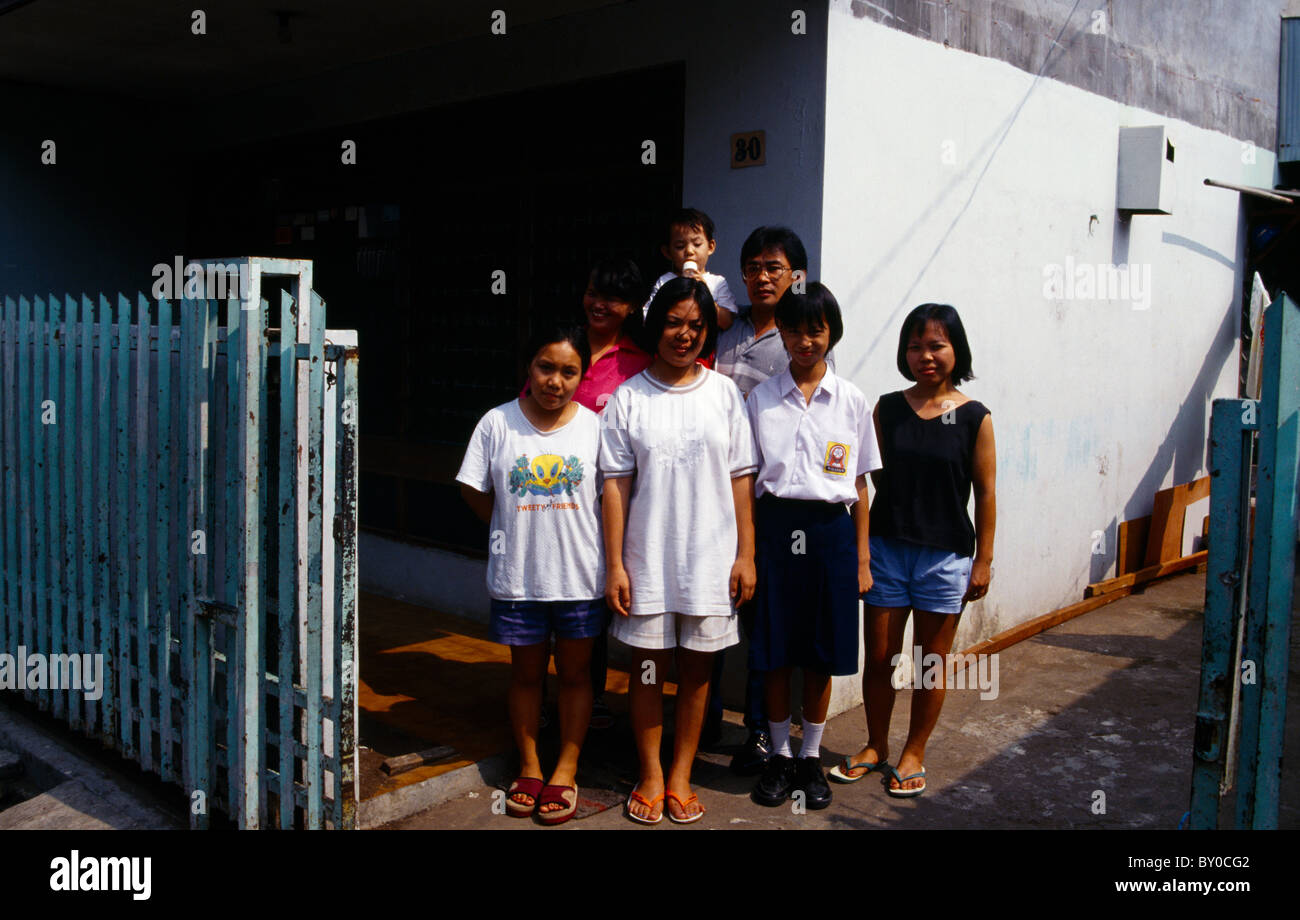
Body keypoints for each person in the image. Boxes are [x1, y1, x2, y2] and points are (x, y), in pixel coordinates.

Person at [601, 276, 758, 824]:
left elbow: (741, 479)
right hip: (648, 560)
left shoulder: (723, 395)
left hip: (711, 560)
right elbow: (615, 487)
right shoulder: (628, 398)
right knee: (648, 670)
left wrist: (746, 555)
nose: (684, 334)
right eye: (673, 322)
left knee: (697, 674)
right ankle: (649, 773)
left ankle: (681, 775)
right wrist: (616, 563)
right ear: (654, 325)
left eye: (695, 325)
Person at [832, 304, 996, 797]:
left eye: (937, 345)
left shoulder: (974, 418)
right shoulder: (888, 407)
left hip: (945, 558)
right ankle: (875, 745)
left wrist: (983, 560)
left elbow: (986, 492)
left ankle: (915, 751)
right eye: (916, 346)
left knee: (930, 663)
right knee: (879, 657)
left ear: (955, 350)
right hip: (886, 549)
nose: (926, 355)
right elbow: (870, 474)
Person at [456, 325, 605, 825]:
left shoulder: (597, 429)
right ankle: (530, 765)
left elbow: (613, 499)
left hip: (581, 577)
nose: (555, 382)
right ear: (528, 366)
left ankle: (566, 767)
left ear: (582, 375)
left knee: (576, 676)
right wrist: (508, 524)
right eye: (546, 367)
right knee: (525, 676)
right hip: (519, 578)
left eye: (569, 371)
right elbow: (474, 489)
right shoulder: (497, 424)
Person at [745, 283, 880, 810]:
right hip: (775, 531)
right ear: (781, 333)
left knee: (821, 655)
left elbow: (861, 486)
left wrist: (863, 559)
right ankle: (778, 756)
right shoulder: (759, 399)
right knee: (776, 654)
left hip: (831, 536)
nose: (805, 340)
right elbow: (747, 477)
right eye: (795, 329)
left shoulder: (851, 401)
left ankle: (809, 758)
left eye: (816, 330)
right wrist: (749, 553)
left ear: (832, 334)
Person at [712, 225, 827, 775]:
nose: (760, 277)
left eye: (773, 268)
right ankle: (705, 716)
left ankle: (762, 732)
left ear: (797, 276)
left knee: (765, 621)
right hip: (709, 493)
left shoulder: (800, 338)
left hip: (765, 502)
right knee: (707, 608)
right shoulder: (722, 329)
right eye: (752, 267)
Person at [643, 207, 738, 331]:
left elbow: (727, 322)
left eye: (697, 244)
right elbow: (648, 319)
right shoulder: (665, 281)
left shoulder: (717, 283)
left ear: (710, 247)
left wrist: (706, 295)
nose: (689, 251)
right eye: (680, 246)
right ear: (667, 252)